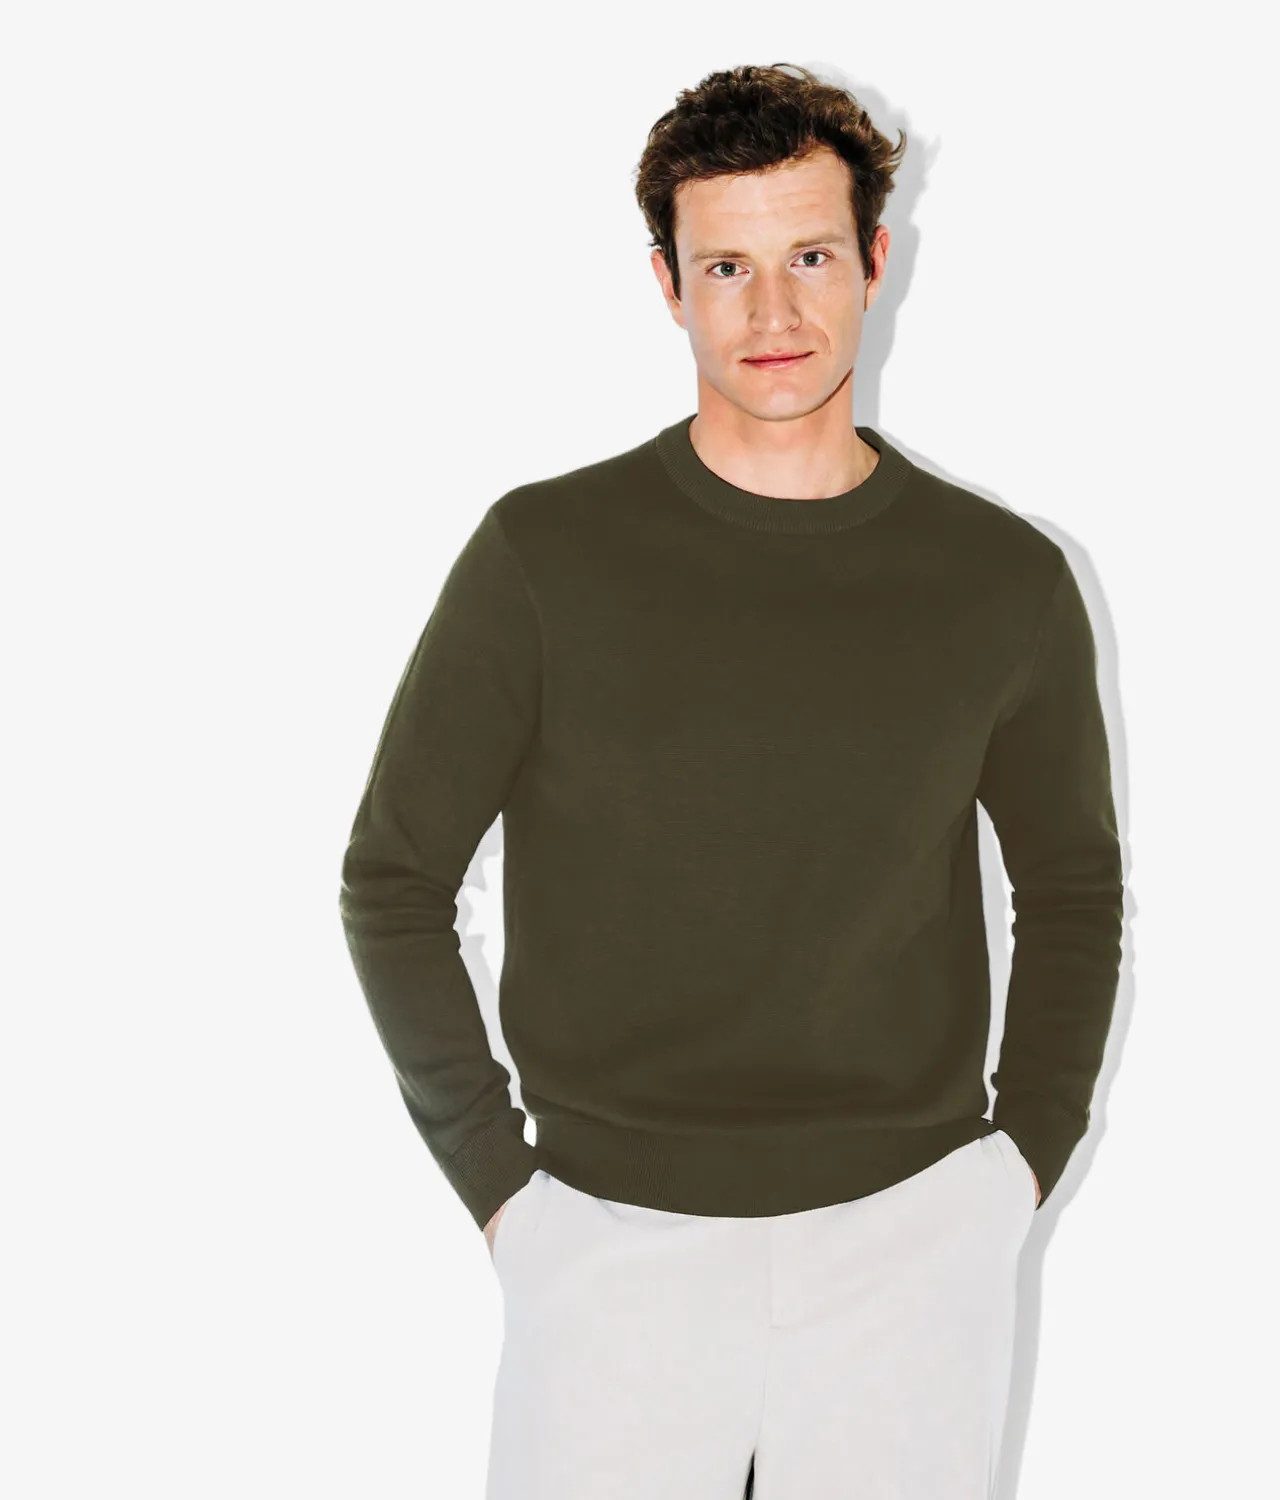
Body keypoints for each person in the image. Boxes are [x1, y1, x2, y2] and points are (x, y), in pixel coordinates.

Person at [338, 60, 1124, 1500]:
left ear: (876, 261)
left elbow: (1072, 890)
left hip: (914, 1242)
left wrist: (1017, 1165)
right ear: (668, 284)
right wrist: (505, 1193)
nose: (773, 314)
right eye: (727, 268)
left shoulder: (1001, 581)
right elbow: (391, 881)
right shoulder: (543, 558)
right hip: (606, 1241)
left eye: (809, 257)